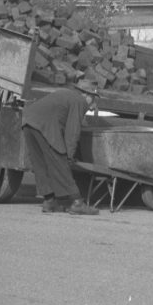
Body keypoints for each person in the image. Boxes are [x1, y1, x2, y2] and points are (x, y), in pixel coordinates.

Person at [22, 79, 100, 216]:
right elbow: (72, 132)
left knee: (40, 164)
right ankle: (77, 203)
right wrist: (69, 156)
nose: (92, 103)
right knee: (60, 162)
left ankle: (49, 201)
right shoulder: (79, 101)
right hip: (45, 126)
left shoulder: (66, 94)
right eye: (93, 98)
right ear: (87, 95)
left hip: (28, 122)